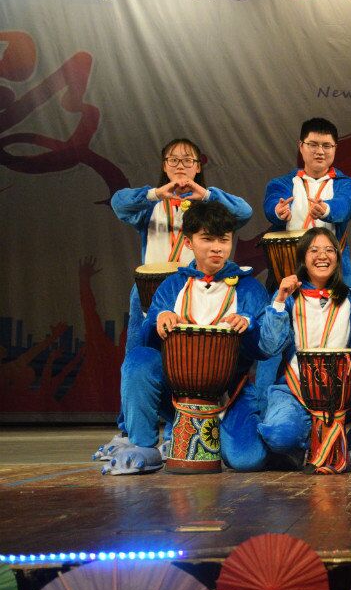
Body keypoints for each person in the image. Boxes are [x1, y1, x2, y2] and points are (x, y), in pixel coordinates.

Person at [96, 138, 253, 462]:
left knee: (188, 364)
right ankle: (130, 433)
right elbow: (119, 204)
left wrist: (205, 194)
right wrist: (156, 193)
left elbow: (244, 212)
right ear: (164, 165)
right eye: (173, 160)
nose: (181, 165)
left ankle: (176, 431)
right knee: (138, 357)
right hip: (150, 290)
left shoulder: (208, 207)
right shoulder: (150, 205)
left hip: (192, 288)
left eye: (188, 160)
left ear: (198, 166)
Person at [103, 201, 271, 475]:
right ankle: (144, 444)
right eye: (207, 239)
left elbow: (263, 350)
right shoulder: (173, 286)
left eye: (224, 240)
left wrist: (250, 325)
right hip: (178, 389)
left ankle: (220, 432)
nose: (217, 248)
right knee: (139, 360)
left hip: (230, 390)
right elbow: (147, 340)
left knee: (246, 460)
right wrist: (158, 320)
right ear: (189, 242)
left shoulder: (249, 288)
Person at [257, 227, 351, 473]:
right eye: (314, 250)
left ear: (338, 259)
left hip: (342, 392)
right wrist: (278, 302)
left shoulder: (350, 299)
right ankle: (311, 441)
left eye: (330, 250)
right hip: (295, 390)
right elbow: (269, 347)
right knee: (279, 435)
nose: (323, 256)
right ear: (302, 258)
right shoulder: (289, 297)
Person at [263, 117, 351, 285]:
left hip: (332, 270)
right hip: (290, 268)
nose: (320, 151)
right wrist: (277, 211)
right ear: (301, 146)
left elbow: (346, 204)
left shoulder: (347, 185)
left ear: (335, 148)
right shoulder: (282, 183)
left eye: (327, 146)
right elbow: (273, 201)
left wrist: (327, 210)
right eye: (313, 144)